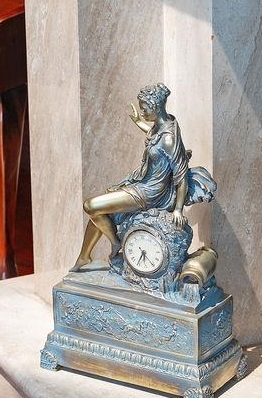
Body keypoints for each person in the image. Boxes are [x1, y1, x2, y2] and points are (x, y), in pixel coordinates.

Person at [70, 83, 213, 272]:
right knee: (99, 211)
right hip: (139, 183)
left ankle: (115, 242)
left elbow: (181, 176)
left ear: (154, 106)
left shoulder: (169, 138)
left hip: (148, 193)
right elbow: (154, 136)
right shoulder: (164, 125)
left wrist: (178, 209)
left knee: (91, 205)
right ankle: (83, 257)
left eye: (144, 108)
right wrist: (138, 121)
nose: (142, 111)